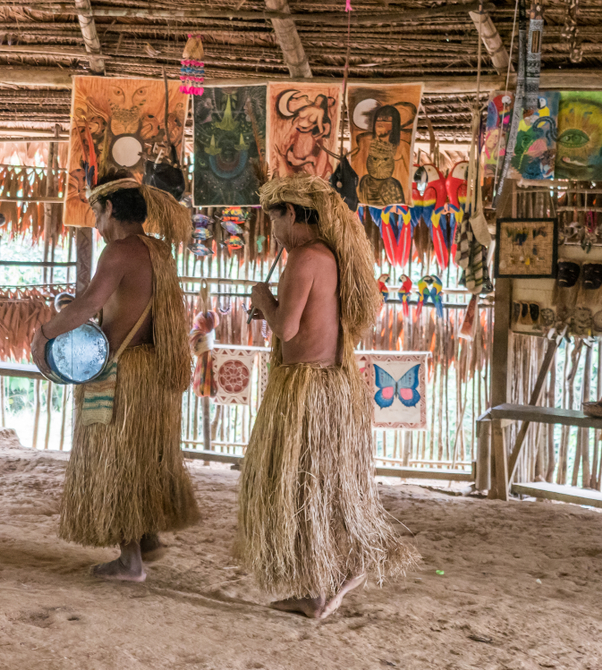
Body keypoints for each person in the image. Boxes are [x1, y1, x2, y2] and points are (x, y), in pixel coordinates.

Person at [240, 172, 418, 619]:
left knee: (304, 487)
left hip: (306, 388)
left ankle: (335, 577)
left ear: (294, 214)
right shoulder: (328, 257)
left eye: (274, 219)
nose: (273, 231)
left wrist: (263, 300)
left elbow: (287, 328)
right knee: (319, 487)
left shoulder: (304, 257)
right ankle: (324, 585)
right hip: (327, 385)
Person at [31, 172, 199, 582]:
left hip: (121, 373)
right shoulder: (159, 251)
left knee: (118, 462)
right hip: (151, 372)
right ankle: (147, 538)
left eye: (96, 213)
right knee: (143, 458)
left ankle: (129, 561)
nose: (96, 223)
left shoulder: (119, 251)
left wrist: (44, 335)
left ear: (109, 208)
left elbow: (88, 305)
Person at [350, 105, 409, 207]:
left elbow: (407, 174)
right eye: (378, 119)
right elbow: (355, 166)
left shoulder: (403, 147)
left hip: (391, 195)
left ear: (394, 124)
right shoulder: (364, 141)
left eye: (386, 120)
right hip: (366, 188)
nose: (380, 123)